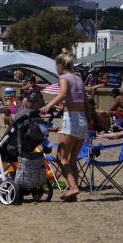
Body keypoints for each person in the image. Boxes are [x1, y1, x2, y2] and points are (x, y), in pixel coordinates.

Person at [40, 49, 90, 202]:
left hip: (72, 120)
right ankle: (72, 192)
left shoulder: (63, 78)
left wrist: (48, 106)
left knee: (61, 157)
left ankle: (73, 188)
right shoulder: (79, 79)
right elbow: (86, 102)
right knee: (72, 158)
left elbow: (62, 94)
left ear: (60, 66)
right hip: (83, 120)